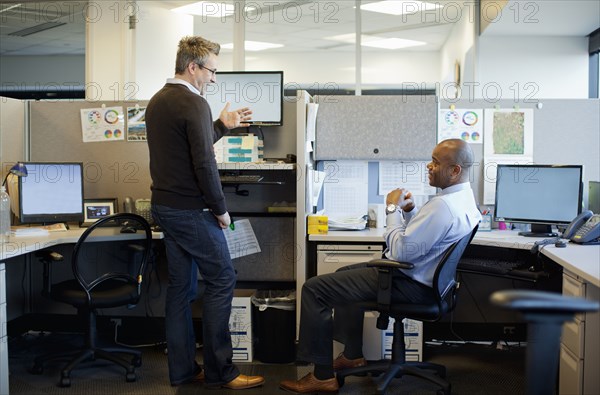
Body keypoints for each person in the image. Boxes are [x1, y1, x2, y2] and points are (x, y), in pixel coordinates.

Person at [279, 138, 481, 393]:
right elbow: (425, 238)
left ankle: (321, 376)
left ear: (455, 171)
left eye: (435, 162)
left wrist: (391, 208)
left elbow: (402, 251)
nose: (429, 167)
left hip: (409, 283)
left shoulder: (443, 206)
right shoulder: (463, 200)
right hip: (429, 284)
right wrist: (409, 212)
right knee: (342, 276)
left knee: (314, 289)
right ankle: (352, 355)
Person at [145, 36, 264, 390]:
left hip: (165, 206)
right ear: (193, 66)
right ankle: (221, 372)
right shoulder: (194, 103)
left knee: (181, 288)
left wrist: (221, 126)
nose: (213, 79)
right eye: (211, 71)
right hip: (190, 210)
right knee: (223, 278)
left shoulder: (159, 101)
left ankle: (182, 371)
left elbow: (188, 146)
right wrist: (221, 210)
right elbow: (203, 164)